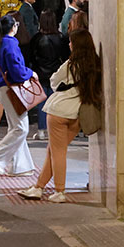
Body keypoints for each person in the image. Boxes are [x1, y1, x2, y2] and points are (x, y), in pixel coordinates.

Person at [18, 30, 102, 202]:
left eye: (71, 42)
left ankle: (59, 191)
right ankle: (38, 187)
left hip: (59, 111)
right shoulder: (95, 65)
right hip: (78, 113)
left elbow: (54, 82)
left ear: (76, 45)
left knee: (57, 152)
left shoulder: (71, 64)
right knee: (53, 150)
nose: (69, 44)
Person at [0, 14, 36, 176]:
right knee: (21, 128)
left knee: (16, 128)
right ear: (13, 27)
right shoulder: (10, 44)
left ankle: (20, 166)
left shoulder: (3, 43)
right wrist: (30, 73)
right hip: (11, 89)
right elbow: (17, 70)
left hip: (5, 89)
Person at [28, 10, 70, 140]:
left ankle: (42, 130)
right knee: (55, 102)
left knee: (41, 102)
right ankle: (55, 129)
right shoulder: (61, 38)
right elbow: (66, 56)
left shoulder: (36, 38)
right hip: (56, 73)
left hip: (40, 73)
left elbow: (31, 57)